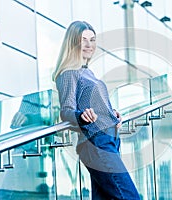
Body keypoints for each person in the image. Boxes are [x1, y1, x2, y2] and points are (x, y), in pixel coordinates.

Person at [52, 21, 140, 200]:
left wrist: (110, 112)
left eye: (92, 40)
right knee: (129, 196)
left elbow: (91, 103)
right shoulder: (69, 73)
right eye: (83, 40)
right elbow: (66, 111)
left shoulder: (87, 72)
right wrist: (81, 116)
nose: (88, 45)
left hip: (109, 139)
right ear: (73, 43)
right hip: (97, 141)